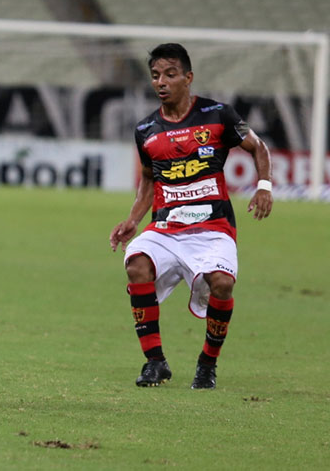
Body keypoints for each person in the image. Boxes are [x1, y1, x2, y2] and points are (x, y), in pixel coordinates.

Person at [109, 43, 272, 390]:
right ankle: (155, 362)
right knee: (136, 263)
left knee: (223, 284)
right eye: (155, 76)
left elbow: (258, 146)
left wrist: (264, 186)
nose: (161, 82)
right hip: (166, 228)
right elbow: (150, 181)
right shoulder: (146, 131)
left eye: (170, 74)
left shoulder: (218, 115)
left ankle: (206, 365)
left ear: (188, 77)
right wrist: (132, 220)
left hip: (213, 228)